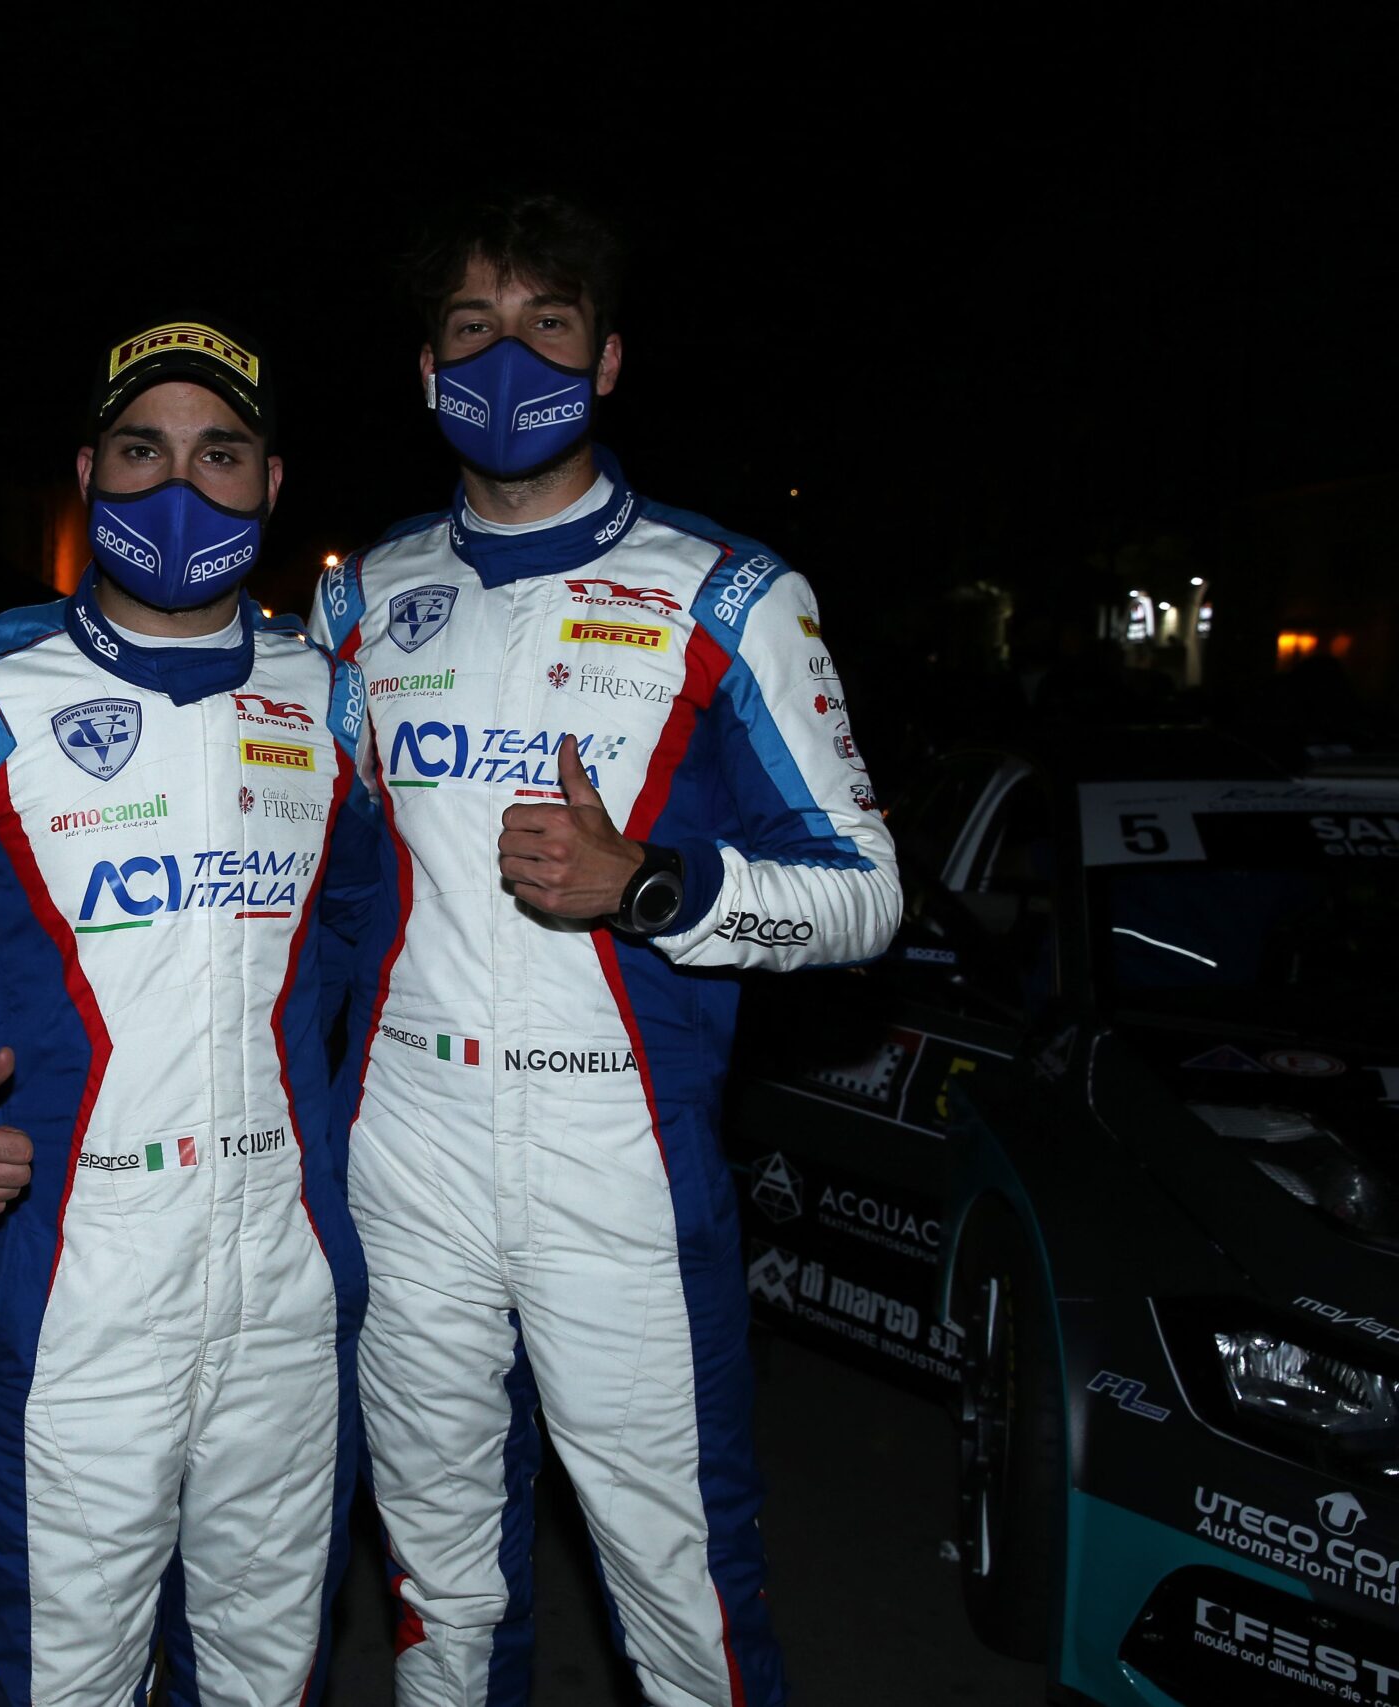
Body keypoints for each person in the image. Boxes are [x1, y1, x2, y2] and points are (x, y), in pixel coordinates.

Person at [309, 194, 901, 1707]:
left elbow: (866, 893)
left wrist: (651, 887)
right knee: (438, 1588)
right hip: (408, 1147)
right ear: (426, 368)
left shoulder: (734, 592)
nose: (507, 355)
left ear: (610, 359)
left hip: (614, 1151)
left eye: (547, 323)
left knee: (682, 1590)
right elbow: (321, 883)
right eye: (472, 326)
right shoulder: (359, 600)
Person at [0, 318, 386, 1705]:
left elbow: (368, 929)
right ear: (87, 472)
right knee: (69, 1680)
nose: (179, 486)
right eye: (143, 451)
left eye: (218, 454)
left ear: (270, 482)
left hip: (289, 1283)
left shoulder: (329, 698)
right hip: (81, 1286)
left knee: (268, 1676)